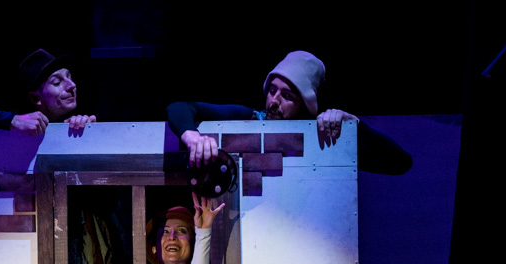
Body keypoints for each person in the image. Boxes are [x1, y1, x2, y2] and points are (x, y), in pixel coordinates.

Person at [167, 50, 413, 175]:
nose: (274, 101)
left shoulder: (322, 140)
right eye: (272, 90)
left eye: (287, 96)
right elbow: (181, 107)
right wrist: (191, 136)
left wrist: (355, 126)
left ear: (305, 105)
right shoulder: (250, 118)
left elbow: (400, 163)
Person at [0, 48, 96, 136]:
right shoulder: (15, 125)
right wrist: (11, 120)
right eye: (57, 82)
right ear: (35, 98)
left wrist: (87, 131)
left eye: (69, 77)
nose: (72, 85)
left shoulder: (72, 122)